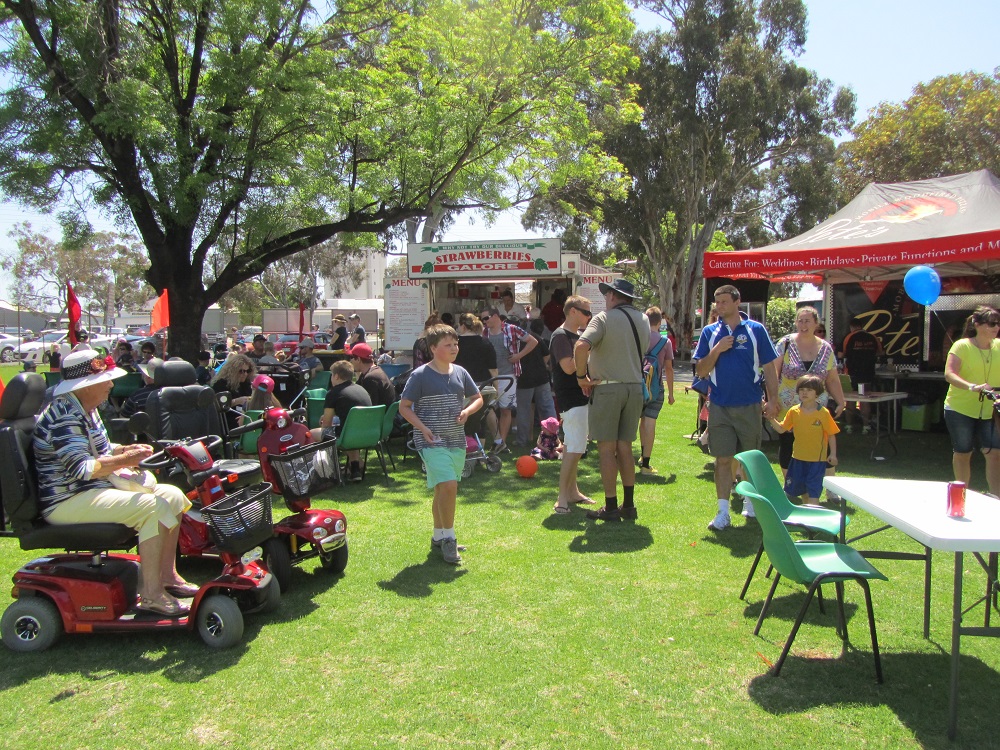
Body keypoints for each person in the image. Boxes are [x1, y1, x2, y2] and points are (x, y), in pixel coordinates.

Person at [33, 350, 196, 616]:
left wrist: (122, 451)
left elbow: (99, 448)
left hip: (91, 491)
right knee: (151, 506)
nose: (111, 384)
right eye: (106, 379)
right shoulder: (64, 416)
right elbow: (83, 469)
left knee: (172, 495)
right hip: (66, 501)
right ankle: (152, 595)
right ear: (86, 385)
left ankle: (167, 577)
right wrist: (125, 460)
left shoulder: (85, 408)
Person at [694, 284, 779, 531]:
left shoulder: (755, 330)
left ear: (736, 301)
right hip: (719, 405)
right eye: (716, 303)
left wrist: (772, 399)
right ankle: (722, 512)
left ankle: (750, 503)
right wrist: (717, 349)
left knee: (750, 459)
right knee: (722, 459)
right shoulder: (710, 332)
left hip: (749, 404)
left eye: (723, 302)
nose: (719, 307)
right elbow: (701, 370)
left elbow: (769, 367)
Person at [398, 324, 483, 565]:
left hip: (455, 439)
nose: (454, 348)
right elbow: (404, 407)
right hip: (431, 441)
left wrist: (467, 411)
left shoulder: (460, 372)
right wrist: (422, 428)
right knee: (448, 486)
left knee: (442, 489)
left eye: (456, 344)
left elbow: (478, 398)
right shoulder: (420, 376)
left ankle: (438, 535)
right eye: (448, 345)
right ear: (433, 348)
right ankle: (449, 538)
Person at [573, 279, 647, 522]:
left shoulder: (604, 318)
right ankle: (629, 504)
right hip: (635, 388)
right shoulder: (644, 319)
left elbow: (581, 345)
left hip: (608, 388)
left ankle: (611, 506)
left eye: (606, 295)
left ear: (614, 296)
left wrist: (582, 376)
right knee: (625, 446)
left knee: (607, 448)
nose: (605, 299)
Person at [772, 307, 847, 499]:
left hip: (817, 407)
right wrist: (770, 399)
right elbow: (772, 373)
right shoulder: (785, 343)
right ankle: (791, 487)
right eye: (800, 320)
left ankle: (831, 487)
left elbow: (832, 378)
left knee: (823, 444)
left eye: (807, 321)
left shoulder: (825, 348)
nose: (803, 325)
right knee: (788, 443)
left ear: (816, 324)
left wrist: (840, 401)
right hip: (789, 405)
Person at [943, 306, 1000, 496]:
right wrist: (971, 386)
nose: (996, 327)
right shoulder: (962, 345)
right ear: (977, 325)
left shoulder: (999, 346)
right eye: (991, 323)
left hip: (991, 410)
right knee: (963, 452)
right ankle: (961, 497)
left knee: (995, 454)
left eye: (998, 323)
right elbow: (949, 374)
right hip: (960, 408)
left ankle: (996, 498)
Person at [550, 295, 595, 513]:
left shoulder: (575, 336)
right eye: (586, 312)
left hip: (580, 397)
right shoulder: (560, 336)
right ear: (573, 311)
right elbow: (568, 367)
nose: (589, 316)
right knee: (573, 448)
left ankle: (573, 492)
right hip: (571, 398)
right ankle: (561, 498)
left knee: (576, 447)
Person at [768, 374, 840, 503]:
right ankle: (807, 513)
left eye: (809, 390)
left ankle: (813, 516)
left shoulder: (823, 413)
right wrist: (770, 418)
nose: (804, 393)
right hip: (797, 459)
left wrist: (833, 455)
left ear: (817, 394)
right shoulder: (794, 411)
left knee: (813, 492)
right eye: (802, 390)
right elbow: (781, 429)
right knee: (801, 492)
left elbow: (831, 434)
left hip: (817, 461)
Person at [482, 306, 537, 451]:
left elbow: (533, 341)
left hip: (508, 374)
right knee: (489, 409)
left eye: (486, 318)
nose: (484, 321)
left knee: (506, 409)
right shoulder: (483, 332)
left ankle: (501, 442)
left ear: (495, 316)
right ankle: (497, 439)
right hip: (490, 376)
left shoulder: (511, 328)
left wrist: (519, 356)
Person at [311, 360, 372, 482]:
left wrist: (324, 420)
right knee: (346, 431)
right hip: (369, 434)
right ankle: (355, 468)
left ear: (336, 376)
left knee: (310, 434)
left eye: (331, 375)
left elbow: (326, 425)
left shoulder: (333, 393)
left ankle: (326, 470)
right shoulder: (361, 389)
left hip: (349, 436)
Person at [638, 307, 676, 476]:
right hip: (655, 387)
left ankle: (640, 453)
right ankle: (646, 463)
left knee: (640, 421)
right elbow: (669, 368)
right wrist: (671, 393)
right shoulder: (665, 342)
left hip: (638, 386)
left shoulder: (639, 338)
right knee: (650, 423)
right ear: (659, 322)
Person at [514, 318, 556, 447]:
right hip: (541, 377)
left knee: (523, 410)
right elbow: (546, 354)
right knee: (547, 408)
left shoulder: (511, 341)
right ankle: (553, 436)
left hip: (524, 379)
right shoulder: (534, 336)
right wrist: (541, 365)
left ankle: (522, 440)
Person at [839, 317, 883, 433]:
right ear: (862, 326)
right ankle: (866, 427)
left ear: (851, 327)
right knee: (864, 399)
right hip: (868, 373)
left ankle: (849, 426)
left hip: (852, 373)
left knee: (851, 399)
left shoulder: (848, 337)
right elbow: (881, 352)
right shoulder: (872, 337)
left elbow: (840, 355)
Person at [212, 353, 256, 430]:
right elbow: (218, 406)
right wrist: (237, 401)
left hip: (245, 417)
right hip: (228, 420)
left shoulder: (246, 383)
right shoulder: (221, 384)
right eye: (241, 371)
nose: (245, 374)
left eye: (247, 371)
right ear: (233, 371)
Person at [455, 313, 497, 383]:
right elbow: (493, 369)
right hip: (483, 384)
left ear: (463, 326)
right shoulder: (485, 342)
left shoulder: (455, 343)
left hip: (459, 382)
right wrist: (496, 388)